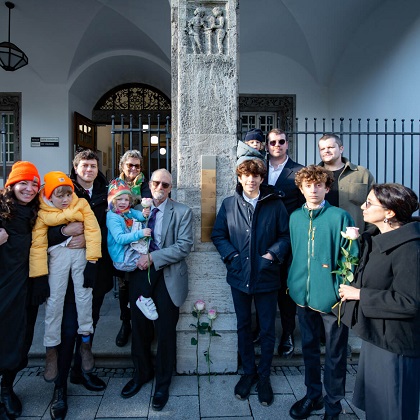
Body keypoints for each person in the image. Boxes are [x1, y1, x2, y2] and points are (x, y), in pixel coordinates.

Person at [212, 159, 290, 407]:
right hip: (239, 275)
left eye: (255, 176)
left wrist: (271, 255)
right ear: (239, 178)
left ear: (261, 178)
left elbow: (286, 236)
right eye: (246, 176)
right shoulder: (228, 204)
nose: (251, 180)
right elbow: (218, 234)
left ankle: (264, 376)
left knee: (267, 329)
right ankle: (248, 372)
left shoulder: (275, 203)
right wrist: (232, 256)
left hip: (266, 275)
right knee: (243, 325)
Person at [339, 183, 420, 420]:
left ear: (389, 213)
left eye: (369, 203)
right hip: (377, 337)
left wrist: (360, 294)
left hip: (396, 345)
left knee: (393, 409)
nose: (363, 207)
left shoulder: (410, 250)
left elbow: (410, 302)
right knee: (377, 408)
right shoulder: (376, 238)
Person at [287, 165, 358, 420]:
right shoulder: (294, 217)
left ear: (327, 188)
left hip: (332, 299)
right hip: (302, 297)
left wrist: (340, 288)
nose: (313, 190)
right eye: (308, 185)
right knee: (308, 348)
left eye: (319, 185)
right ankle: (312, 395)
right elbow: (296, 252)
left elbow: (351, 257)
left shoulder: (340, 217)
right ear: (301, 188)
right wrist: (295, 282)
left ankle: (333, 406)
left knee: (336, 355)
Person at [47, 149, 113, 419]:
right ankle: (59, 388)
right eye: (84, 165)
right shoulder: (62, 191)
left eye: (93, 165)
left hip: (96, 272)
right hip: (69, 276)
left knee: (89, 323)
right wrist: (63, 231)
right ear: (75, 168)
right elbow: (43, 226)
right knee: (68, 328)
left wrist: (88, 236)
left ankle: (79, 371)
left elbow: (115, 226)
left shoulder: (107, 192)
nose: (89, 169)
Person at [121, 169, 193, 412]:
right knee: (139, 327)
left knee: (165, 331)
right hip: (139, 274)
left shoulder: (182, 212)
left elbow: (184, 246)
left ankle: (163, 382)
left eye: (165, 184)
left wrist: (153, 257)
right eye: (156, 182)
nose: (160, 187)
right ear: (149, 184)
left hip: (168, 276)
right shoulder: (136, 209)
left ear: (171, 187)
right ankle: (141, 373)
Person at [30, 171, 101, 383]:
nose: (65, 200)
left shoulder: (81, 204)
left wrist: (93, 262)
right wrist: (39, 275)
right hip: (57, 257)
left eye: (68, 195)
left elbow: (93, 229)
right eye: (59, 195)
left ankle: (86, 342)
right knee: (54, 302)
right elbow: (38, 245)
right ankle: (51, 350)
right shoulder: (43, 212)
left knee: (84, 296)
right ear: (49, 195)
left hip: (80, 255)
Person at [0, 161, 46, 419]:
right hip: (3, 285)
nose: (29, 189)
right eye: (23, 183)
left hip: (27, 288)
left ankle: (7, 388)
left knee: (21, 339)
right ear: (12, 184)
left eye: (33, 184)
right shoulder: (1, 210)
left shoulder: (38, 213)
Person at [263, 128, 304, 358]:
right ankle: (261, 330)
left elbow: (301, 204)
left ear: (287, 144)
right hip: (262, 237)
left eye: (280, 142)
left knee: (285, 290)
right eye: (272, 142)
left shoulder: (298, 171)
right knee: (263, 286)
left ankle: (287, 333)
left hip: (288, 238)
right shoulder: (259, 168)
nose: (276, 145)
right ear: (267, 145)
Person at [106, 178, 158, 320]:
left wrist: (144, 213)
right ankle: (143, 298)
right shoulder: (112, 217)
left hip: (129, 251)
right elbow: (120, 238)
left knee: (150, 259)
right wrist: (140, 233)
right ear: (112, 200)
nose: (123, 203)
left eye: (126, 199)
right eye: (119, 199)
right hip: (122, 258)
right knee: (152, 263)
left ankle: (134, 299)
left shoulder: (127, 212)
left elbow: (139, 216)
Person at [115, 150, 152, 347]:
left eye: (137, 166)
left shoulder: (146, 186)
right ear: (122, 166)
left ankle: (142, 323)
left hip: (139, 242)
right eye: (129, 165)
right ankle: (125, 323)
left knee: (139, 282)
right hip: (121, 241)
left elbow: (149, 209)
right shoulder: (115, 185)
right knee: (123, 285)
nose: (133, 169)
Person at [318, 133, 374, 231]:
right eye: (322, 149)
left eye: (330, 147)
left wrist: (368, 234)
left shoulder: (361, 174)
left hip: (354, 235)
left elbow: (374, 204)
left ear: (341, 149)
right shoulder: (313, 175)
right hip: (322, 233)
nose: (326, 151)